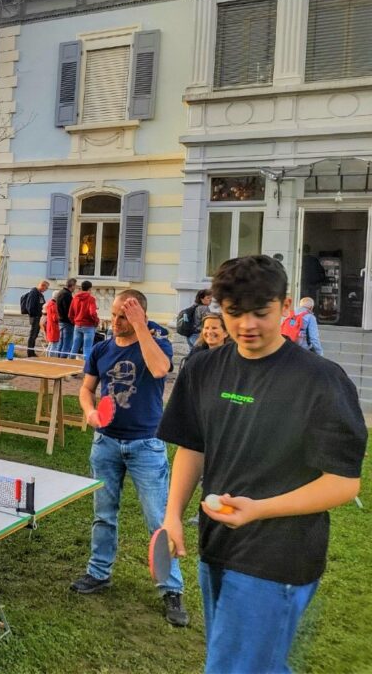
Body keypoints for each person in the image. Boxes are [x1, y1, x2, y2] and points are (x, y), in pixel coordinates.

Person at [158, 255, 366, 673]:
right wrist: (172, 516)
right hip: (216, 547)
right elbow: (192, 447)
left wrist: (259, 510)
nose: (247, 325)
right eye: (235, 313)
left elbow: (344, 483)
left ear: (286, 306)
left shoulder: (320, 380)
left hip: (279, 555)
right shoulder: (205, 367)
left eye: (261, 312)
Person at [70, 290, 188, 627]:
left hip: (146, 445)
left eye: (125, 315)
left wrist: (141, 328)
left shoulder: (157, 343)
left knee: (158, 520)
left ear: (140, 315)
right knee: (103, 514)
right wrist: (90, 411)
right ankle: (99, 572)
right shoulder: (101, 349)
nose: (116, 321)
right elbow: (86, 388)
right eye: (116, 314)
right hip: (106, 443)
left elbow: (160, 369)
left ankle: (171, 589)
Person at [69, 280, 99, 362]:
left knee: (74, 346)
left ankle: (69, 364)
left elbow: (70, 313)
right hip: (88, 325)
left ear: (81, 288)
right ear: (90, 288)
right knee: (87, 348)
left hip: (77, 324)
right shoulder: (91, 299)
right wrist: (96, 321)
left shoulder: (75, 297)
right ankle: (87, 368)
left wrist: (74, 321)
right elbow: (92, 313)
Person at [19, 280, 49, 357]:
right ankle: (30, 353)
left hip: (38, 317)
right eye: (46, 288)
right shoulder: (34, 293)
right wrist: (36, 315)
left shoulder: (39, 294)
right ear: (42, 286)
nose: (46, 290)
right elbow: (30, 306)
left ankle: (32, 352)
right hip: (35, 317)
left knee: (34, 335)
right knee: (33, 335)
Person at [55, 278, 77, 358]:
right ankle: (63, 360)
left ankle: (58, 359)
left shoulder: (60, 292)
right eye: (75, 286)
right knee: (67, 343)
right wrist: (72, 320)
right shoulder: (67, 294)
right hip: (67, 322)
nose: (75, 288)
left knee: (61, 342)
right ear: (72, 286)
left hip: (61, 320)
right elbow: (69, 310)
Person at [44, 290, 61, 356]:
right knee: (54, 344)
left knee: (51, 343)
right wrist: (60, 317)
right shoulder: (53, 305)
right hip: (53, 327)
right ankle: (51, 359)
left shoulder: (49, 303)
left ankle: (47, 357)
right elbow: (55, 318)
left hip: (50, 326)